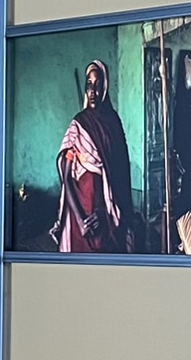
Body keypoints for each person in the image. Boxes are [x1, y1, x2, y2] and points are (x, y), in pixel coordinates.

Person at [51, 59, 137, 252]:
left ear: (105, 87)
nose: (93, 91)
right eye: (89, 85)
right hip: (80, 211)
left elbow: (121, 173)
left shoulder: (113, 123)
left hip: (106, 212)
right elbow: (66, 176)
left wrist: (105, 211)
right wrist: (81, 220)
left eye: (98, 85)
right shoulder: (78, 125)